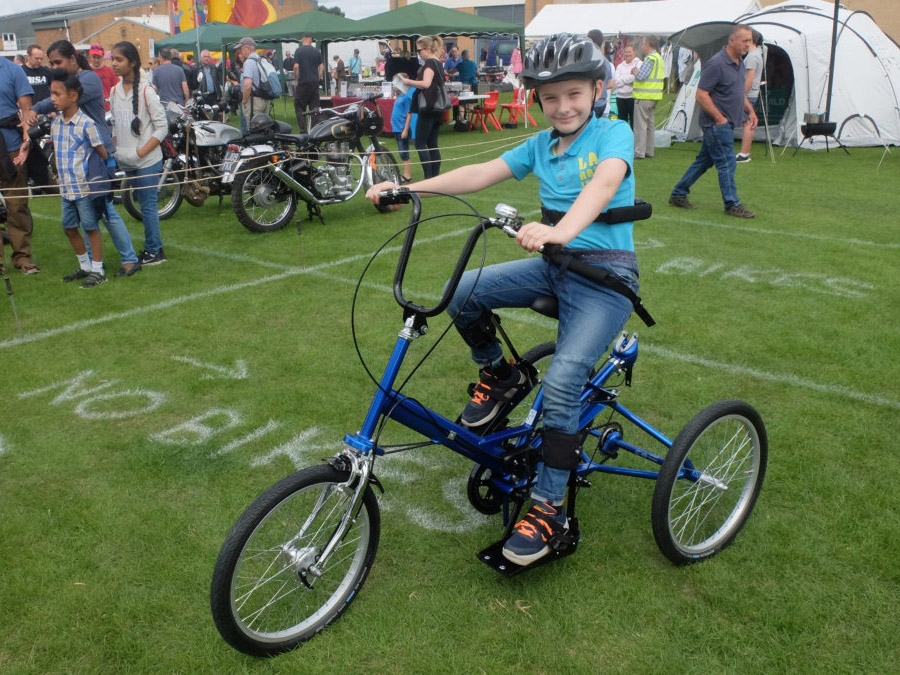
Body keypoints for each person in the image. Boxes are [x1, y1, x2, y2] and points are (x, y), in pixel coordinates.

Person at [368, 33, 642, 566]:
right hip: (553, 267)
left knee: (564, 381)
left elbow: (605, 186)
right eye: (550, 97)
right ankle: (501, 375)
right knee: (463, 292)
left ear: (596, 90)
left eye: (573, 94)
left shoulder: (614, 133)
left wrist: (562, 230)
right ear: (538, 100)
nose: (562, 107)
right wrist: (409, 189)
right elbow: (479, 173)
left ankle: (548, 505)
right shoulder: (541, 145)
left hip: (607, 278)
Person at [30, 40, 141, 271]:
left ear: (73, 58)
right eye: (51, 63)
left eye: (57, 61)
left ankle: (129, 259)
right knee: (89, 215)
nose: (53, 67)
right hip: (79, 160)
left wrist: (36, 108)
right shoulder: (68, 84)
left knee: (105, 210)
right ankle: (91, 265)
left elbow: (61, 97)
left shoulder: (87, 79)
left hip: (98, 157)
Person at [669, 25, 757, 218]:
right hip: (717, 124)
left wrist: (750, 110)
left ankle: (678, 193)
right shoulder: (717, 63)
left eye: (750, 41)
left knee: (703, 162)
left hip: (725, 123)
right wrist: (719, 118)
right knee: (727, 163)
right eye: (745, 41)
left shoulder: (739, 63)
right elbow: (701, 95)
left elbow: (738, 91)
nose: (748, 45)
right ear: (732, 41)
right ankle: (732, 204)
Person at [49, 71, 111, 288]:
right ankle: (84, 265)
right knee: (68, 227)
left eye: (57, 94)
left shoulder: (87, 124)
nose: (53, 99)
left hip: (84, 187)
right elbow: (57, 153)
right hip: (65, 188)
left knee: (90, 227)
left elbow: (102, 152)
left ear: (73, 96)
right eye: (52, 94)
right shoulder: (56, 124)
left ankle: (98, 269)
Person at [110, 40, 169, 267]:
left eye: (119, 59)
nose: (114, 64)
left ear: (132, 63)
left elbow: (162, 127)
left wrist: (141, 151)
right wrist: (119, 150)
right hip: (127, 160)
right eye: (112, 59)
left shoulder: (146, 90)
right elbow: (115, 124)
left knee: (147, 205)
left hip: (147, 160)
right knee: (140, 206)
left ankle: (154, 251)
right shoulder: (115, 90)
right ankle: (154, 247)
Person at [0, 53, 39, 274]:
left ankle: (23, 258)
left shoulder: (13, 70)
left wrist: (26, 140)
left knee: (17, 205)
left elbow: (27, 111)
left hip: (12, 146)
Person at [402, 36, 447, 180]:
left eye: (419, 50)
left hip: (428, 107)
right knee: (432, 143)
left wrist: (408, 81)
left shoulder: (429, 64)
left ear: (427, 49)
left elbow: (426, 84)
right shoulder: (439, 63)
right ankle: (435, 176)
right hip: (438, 108)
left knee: (420, 143)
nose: (418, 53)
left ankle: (429, 177)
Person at [632, 36, 664, 159]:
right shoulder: (659, 59)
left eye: (642, 44)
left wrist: (635, 71)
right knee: (650, 126)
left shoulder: (650, 59)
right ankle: (649, 151)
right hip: (654, 96)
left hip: (643, 96)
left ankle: (639, 152)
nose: (641, 47)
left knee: (640, 126)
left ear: (647, 45)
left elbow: (641, 76)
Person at [736, 30, 764, 163]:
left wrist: (742, 94)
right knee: (748, 122)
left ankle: (744, 154)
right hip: (751, 94)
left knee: (748, 123)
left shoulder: (752, 56)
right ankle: (744, 153)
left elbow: (750, 79)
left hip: (748, 95)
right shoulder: (756, 54)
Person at [293, 33, 323, 132]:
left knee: (299, 107)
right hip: (314, 83)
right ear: (311, 40)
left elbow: (296, 66)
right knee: (314, 108)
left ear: (304, 38)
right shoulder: (316, 51)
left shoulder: (299, 51)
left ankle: (303, 129)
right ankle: (314, 131)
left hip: (303, 83)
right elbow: (321, 67)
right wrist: (318, 77)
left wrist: (297, 78)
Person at [236, 37, 270, 121]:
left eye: (241, 49)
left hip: (254, 101)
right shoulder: (262, 60)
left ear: (247, 48)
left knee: (254, 129)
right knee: (265, 128)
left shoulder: (249, 62)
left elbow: (247, 85)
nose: (240, 51)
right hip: (265, 98)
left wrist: (244, 101)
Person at [390, 76, 416, 183]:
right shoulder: (399, 97)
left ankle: (407, 176)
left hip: (402, 129)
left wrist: (405, 130)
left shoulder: (405, 98)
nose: (392, 86)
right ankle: (406, 175)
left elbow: (409, 115)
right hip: (398, 129)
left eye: (394, 84)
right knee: (402, 152)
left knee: (404, 153)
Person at [587, 30, 615, 118]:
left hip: (591, 102)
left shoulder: (588, 60)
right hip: (602, 103)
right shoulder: (606, 61)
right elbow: (610, 84)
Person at [613, 45, 640, 127]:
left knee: (634, 122)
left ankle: (634, 139)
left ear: (634, 52)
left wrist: (622, 79)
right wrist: (629, 79)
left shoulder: (638, 64)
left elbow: (636, 77)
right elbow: (616, 82)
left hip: (632, 97)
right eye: (626, 52)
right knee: (621, 122)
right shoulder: (620, 66)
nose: (627, 54)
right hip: (620, 98)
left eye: (629, 51)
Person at [88, 44, 118, 112]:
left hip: (108, 110)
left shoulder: (110, 71)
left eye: (98, 57)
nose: (96, 60)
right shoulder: (86, 71)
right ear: (90, 56)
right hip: (92, 110)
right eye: (94, 57)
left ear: (103, 56)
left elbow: (117, 90)